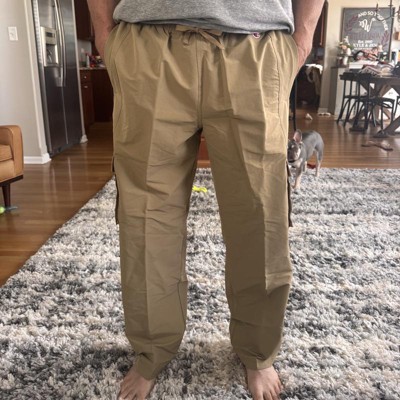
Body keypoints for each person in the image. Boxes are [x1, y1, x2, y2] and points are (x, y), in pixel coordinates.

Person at [86, 1, 325, 399]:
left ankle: (257, 350)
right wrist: (104, 35)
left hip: (255, 46)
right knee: (146, 219)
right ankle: (152, 349)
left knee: (260, 216)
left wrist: (301, 40)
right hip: (146, 44)